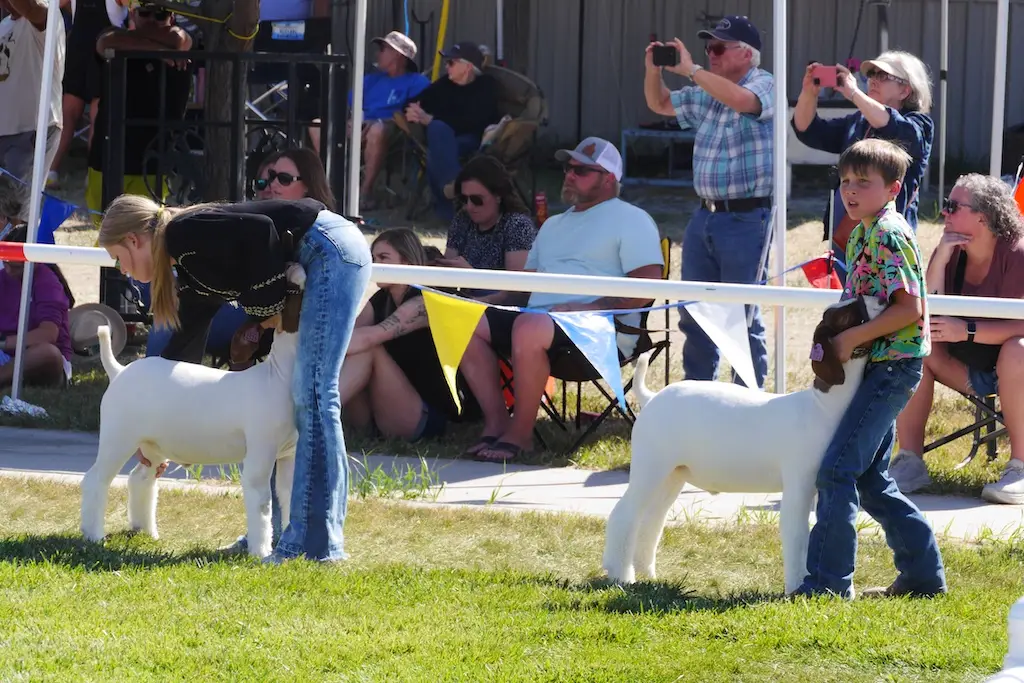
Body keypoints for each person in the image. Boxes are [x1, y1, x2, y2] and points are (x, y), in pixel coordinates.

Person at [98, 194, 371, 563]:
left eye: (118, 257)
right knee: (295, 404)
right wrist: (159, 428)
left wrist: (268, 308)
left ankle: (318, 546)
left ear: (134, 240)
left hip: (328, 251)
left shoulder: (182, 233)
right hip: (327, 250)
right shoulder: (192, 267)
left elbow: (260, 231)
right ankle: (284, 538)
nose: (122, 269)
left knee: (315, 394)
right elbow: (183, 346)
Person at [795, 138, 946, 600]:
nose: (850, 191)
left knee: (837, 470)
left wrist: (848, 338)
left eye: (864, 182)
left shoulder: (887, 232)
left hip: (892, 366)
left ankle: (827, 584)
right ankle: (922, 576)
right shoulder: (861, 229)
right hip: (878, 365)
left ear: (894, 188)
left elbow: (909, 309)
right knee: (868, 477)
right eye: (844, 181)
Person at [459, 137, 664, 463]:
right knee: (463, 320)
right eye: (568, 167)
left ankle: (520, 436)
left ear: (608, 179)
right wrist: (471, 296)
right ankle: (497, 422)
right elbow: (523, 288)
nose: (569, 174)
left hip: (600, 329)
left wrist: (588, 307)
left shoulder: (631, 218)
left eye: (581, 170)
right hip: (541, 320)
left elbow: (648, 285)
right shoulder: (553, 224)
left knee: (528, 325)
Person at [643, 15, 773, 388]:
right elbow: (661, 104)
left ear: (747, 54)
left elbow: (744, 101)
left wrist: (692, 69)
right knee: (695, 311)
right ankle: (699, 394)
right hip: (705, 215)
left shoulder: (764, 83)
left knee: (741, 314)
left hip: (747, 218)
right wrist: (654, 71)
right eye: (707, 48)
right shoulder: (708, 88)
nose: (710, 54)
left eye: (718, 48)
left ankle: (747, 401)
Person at [892, 174, 1024, 505]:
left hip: (1014, 366)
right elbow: (925, 310)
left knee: (1016, 349)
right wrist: (939, 260)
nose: (944, 213)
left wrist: (966, 330)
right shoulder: (950, 251)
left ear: (984, 216)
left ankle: (1020, 467)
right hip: (967, 366)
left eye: (952, 206)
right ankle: (910, 461)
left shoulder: (1017, 253)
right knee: (914, 342)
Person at [792, 51, 934, 271]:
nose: (873, 79)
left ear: (905, 90)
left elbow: (894, 127)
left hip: (888, 237)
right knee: (849, 303)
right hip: (847, 235)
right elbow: (807, 130)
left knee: (884, 303)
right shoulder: (859, 121)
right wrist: (809, 92)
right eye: (871, 74)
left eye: (883, 75)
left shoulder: (918, 124)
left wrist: (853, 92)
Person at [341, 228, 481, 441]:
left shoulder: (423, 300)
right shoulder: (381, 299)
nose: (375, 264)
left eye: (383, 258)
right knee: (355, 348)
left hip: (428, 416)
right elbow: (353, 335)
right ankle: (318, 419)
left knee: (369, 349)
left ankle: (307, 417)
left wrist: (321, 346)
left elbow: (369, 338)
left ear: (406, 263)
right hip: (387, 409)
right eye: (373, 258)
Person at [84, 1, 192, 226]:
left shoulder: (179, 39)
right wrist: (160, 51)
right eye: (145, 12)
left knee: (145, 234)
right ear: (132, 13)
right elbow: (105, 42)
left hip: (152, 160)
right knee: (105, 233)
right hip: (108, 157)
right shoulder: (114, 36)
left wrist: (146, 44)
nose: (153, 20)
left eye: (160, 14)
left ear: (172, 16)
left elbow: (180, 39)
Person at [308, 30, 428, 207]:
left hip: (393, 132)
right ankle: (328, 188)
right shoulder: (371, 80)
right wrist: (350, 121)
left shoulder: (418, 82)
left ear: (398, 55)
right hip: (358, 125)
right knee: (316, 125)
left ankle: (365, 193)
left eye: (383, 49)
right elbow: (346, 105)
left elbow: (412, 116)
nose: (377, 54)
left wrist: (378, 122)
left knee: (377, 130)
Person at [405, 41, 501, 221]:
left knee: (436, 144)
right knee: (438, 131)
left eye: (451, 63)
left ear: (468, 67)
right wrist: (413, 111)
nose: (446, 66)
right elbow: (412, 103)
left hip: (471, 140)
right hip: (443, 139)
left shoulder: (486, 86)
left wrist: (431, 119)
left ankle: (449, 205)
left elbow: (476, 122)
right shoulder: (444, 84)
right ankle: (460, 194)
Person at [48, 0, 129, 187]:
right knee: (95, 116)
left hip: (80, 48)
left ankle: (51, 170)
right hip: (103, 51)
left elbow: (55, 5)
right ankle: (91, 176)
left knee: (69, 115)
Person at [0, 222, 75, 390]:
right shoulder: (2, 277)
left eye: (15, 266)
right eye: (5, 263)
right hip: (6, 353)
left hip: (42, 359)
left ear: (33, 262)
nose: (9, 270)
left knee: (47, 353)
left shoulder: (47, 283)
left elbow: (48, 335)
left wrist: (4, 342)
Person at [439, 155, 536, 282]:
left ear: (498, 196)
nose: (469, 206)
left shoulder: (517, 226)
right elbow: (447, 270)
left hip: (494, 302)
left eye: (477, 199)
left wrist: (473, 277)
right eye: (464, 199)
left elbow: (517, 289)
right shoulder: (462, 220)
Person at [0, 0, 66, 186]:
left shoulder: (47, 15)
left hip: (34, 130)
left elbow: (29, 7)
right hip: (5, 130)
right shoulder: (4, 26)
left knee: (18, 209)